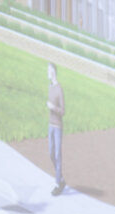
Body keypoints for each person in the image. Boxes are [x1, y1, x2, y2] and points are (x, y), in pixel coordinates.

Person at [46, 62, 65, 195]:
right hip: (50, 125)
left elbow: (63, 111)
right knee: (51, 153)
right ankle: (61, 177)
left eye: (48, 71)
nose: (47, 73)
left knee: (58, 155)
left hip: (57, 126)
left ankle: (58, 183)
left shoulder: (59, 89)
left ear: (53, 72)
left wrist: (53, 108)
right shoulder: (50, 87)